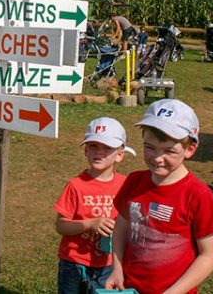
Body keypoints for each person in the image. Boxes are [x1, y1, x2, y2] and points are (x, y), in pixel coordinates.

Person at [105, 99, 213, 294]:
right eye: (149, 147)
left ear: (189, 149)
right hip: (129, 287)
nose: (157, 158)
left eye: (169, 150)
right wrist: (116, 268)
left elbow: (209, 255)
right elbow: (121, 228)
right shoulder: (134, 182)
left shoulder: (198, 195)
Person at [54, 118, 136, 293]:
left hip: (110, 263)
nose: (99, 152)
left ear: (120, 155)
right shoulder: (76, 185)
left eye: (107, 148)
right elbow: (61, 225)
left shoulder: (126, 185)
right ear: (85, 150)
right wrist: (90, 224)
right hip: (74, 263)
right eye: (93, 146)